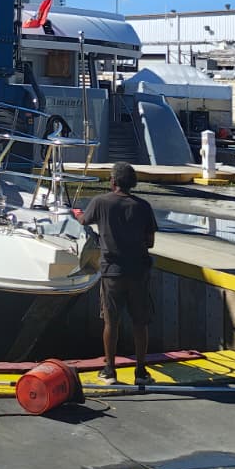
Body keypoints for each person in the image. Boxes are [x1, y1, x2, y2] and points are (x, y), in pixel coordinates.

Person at [81, 162, 157, 386]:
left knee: (111, 322)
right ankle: (141, 372)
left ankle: (109, 371)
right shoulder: (143, 206)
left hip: (112, 272)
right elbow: (150, 242)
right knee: (140, 323)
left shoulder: (100, 202)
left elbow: (83, 221)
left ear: (113, 181)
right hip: (139, 271)